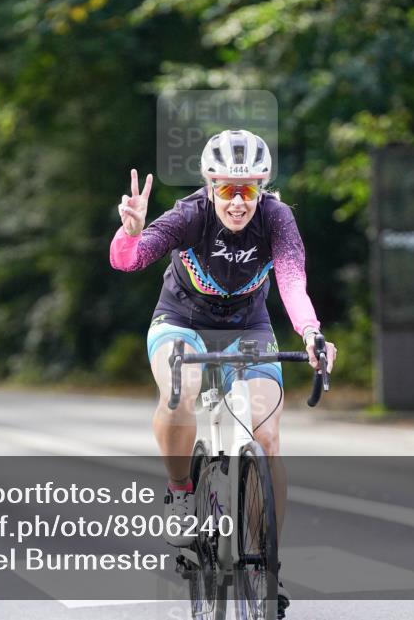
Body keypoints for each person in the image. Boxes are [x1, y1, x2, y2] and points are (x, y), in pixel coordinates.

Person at [109, 129, 336, 615]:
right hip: (181, 323)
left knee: (268, 437)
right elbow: (129, 260)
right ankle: (180, 494)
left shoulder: (277, 219)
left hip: (248, 326)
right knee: (181, 389)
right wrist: (128, 232)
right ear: (210, 186)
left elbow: (293, 281)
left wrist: (312, 333)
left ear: (263, 189)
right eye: (228, 189)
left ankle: (265, 564)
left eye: (249, 189)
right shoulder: (190, 214)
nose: (238, 201)